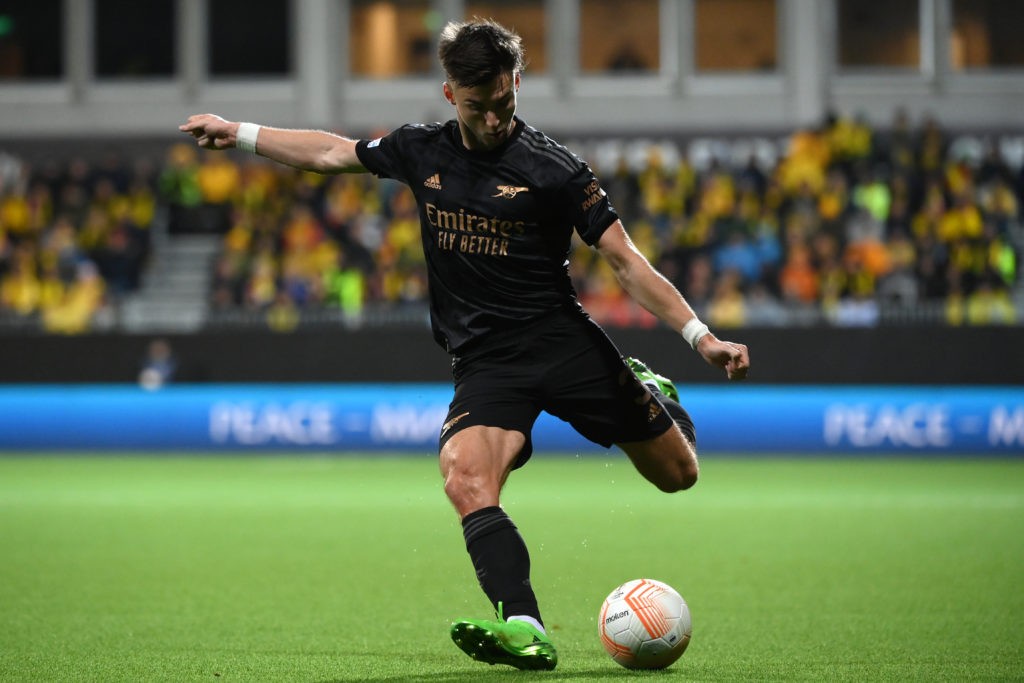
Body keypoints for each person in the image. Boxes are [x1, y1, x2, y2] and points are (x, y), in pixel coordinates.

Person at [180, 18, 749, 671]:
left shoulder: (556, 169)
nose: (494, 118)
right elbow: (331, 152)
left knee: (679, 476)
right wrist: (242, 133)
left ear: (516, 84)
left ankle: (653, 395)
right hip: (486, 362)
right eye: (479, 106)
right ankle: (526, 625)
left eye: (505, 102)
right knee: (465, 477)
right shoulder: (422, 150)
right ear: (451, 94)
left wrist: (699, 335)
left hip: (562, 345)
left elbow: (625, 260)